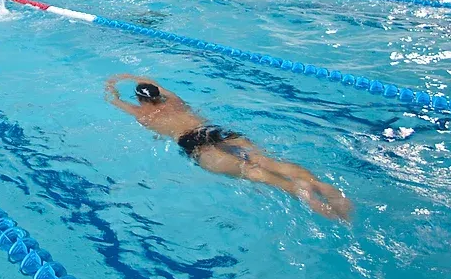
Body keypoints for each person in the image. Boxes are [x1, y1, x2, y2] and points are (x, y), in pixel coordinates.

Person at [105, 75, 352, 221]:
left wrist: (113, 85)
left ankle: (300, 192)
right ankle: (320, 186)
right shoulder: (176, 101)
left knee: (252, 171)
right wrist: (132, 76)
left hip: (193, 144)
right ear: (159, 95)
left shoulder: (143, 116)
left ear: (139, 99)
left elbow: (113, 100)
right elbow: (151, 82)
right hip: (212, 130)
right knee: (266, 160)